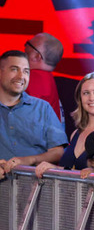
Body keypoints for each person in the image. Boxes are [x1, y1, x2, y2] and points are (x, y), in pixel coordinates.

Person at [35, 71, 94, 176]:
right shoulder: (76, 133)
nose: (91, 98)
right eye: (86, 93)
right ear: (80, 99)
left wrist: (56, 168)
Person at [0, 51, 66, 179]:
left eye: (26, 71)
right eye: (14, 69)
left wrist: (29, 160)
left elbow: (57, 152)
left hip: (36, 191)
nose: (21, 76)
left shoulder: (43, 108)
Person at [24, 33, 64, 120]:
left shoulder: (34, 79)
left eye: (28, 44)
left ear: (36, 56)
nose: (25, 47)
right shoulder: (46, 78)